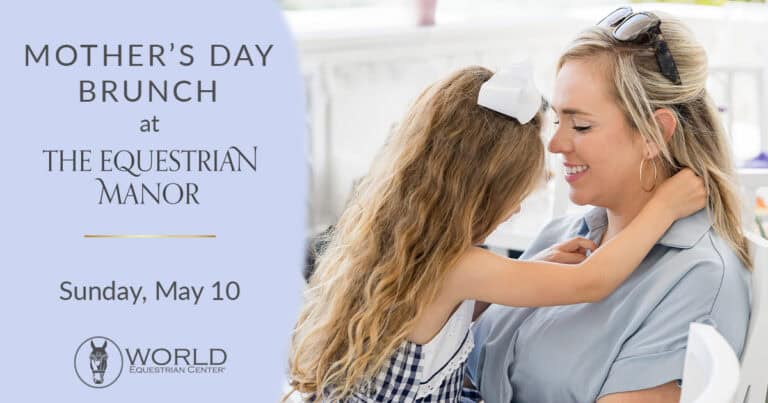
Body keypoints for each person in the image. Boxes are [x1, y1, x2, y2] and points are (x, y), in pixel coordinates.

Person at [285, 62, 705, 402]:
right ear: (479, 192)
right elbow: (591, 282)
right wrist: (664, 207)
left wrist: (536, 266)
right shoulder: (459, 266)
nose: (517, 208)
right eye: (514, 195)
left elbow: (444, 317)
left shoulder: (412, 248)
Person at [464, 8, 751, 403]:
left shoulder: (697, 281)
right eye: (558, 121)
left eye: (581, 125)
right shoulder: (564, 236)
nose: (555, 145)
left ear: (654, 133)